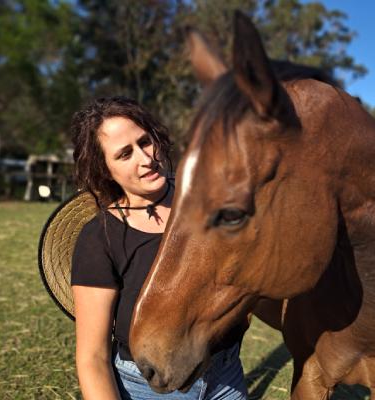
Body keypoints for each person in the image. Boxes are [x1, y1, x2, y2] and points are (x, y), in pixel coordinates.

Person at [69, 96, 248, 400]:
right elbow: (92, 358)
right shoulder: (99, 239)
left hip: (226, 375)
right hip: (151, 387)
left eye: (144, 142)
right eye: (125, 154)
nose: (145, 158)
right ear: (104, 170)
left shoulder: (204, 201)